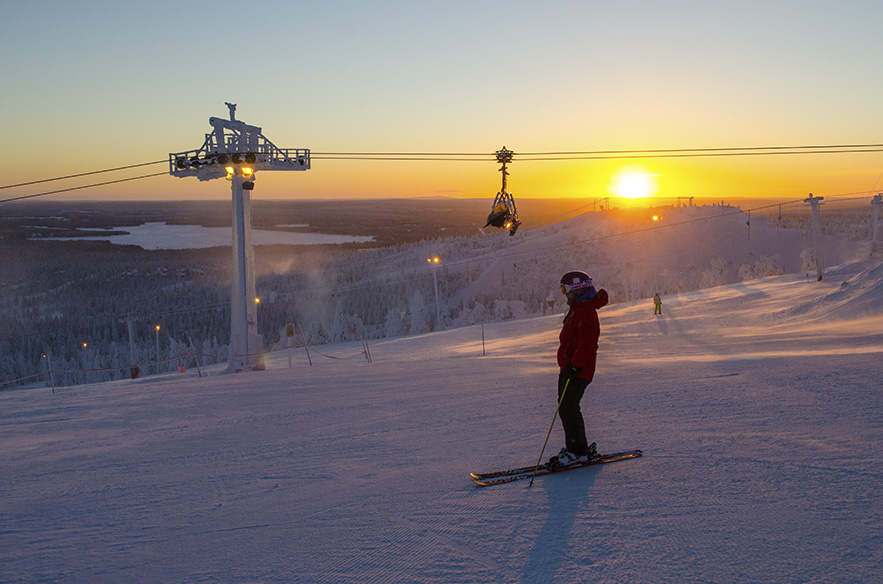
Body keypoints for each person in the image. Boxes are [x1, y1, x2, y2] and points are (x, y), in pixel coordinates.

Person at [550, 271, 609, 467]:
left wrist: (575, 365)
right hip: (570, 367)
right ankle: (577, 448)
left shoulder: (585, 312)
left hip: (579, 369)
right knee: (566, 407)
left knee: (568, 407)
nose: (564, 294)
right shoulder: (578, 309)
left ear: (577, 289)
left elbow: (588, 344)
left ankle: (578, 451)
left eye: (565, 289)